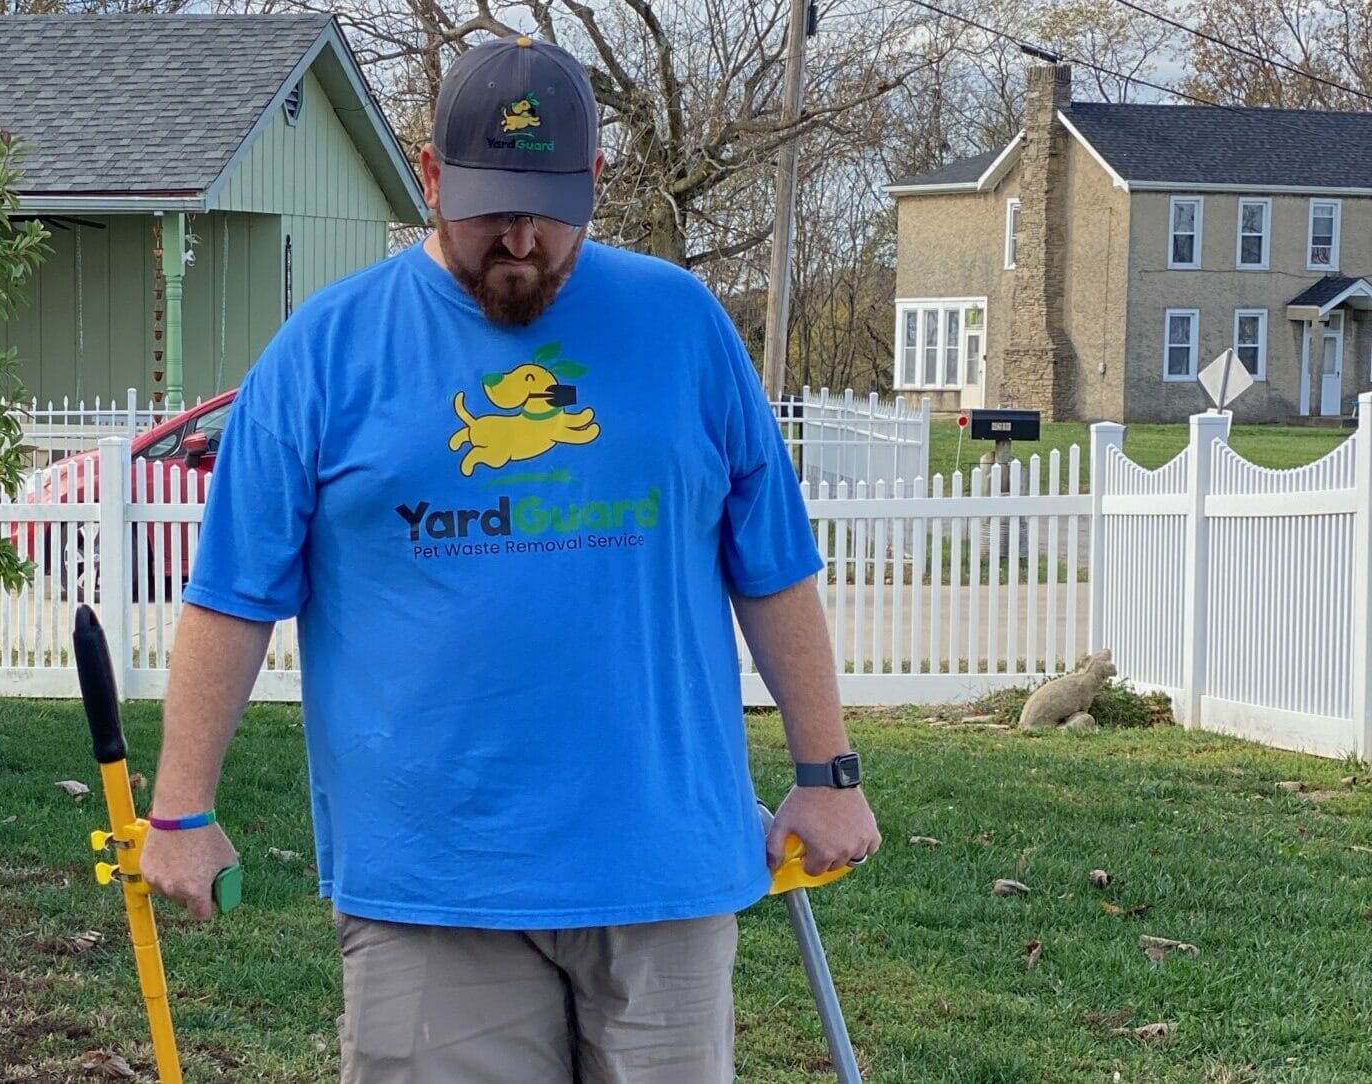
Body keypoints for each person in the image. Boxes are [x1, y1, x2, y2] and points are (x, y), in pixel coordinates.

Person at [141, 32, 880, 1083]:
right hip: (433, 884)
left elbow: (772, 564)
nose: (520, 238)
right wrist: (181, 810)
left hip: (662, 868)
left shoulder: (684, 327)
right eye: (489, 206)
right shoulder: (324, 351)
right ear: (431, 178)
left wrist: (829, 774)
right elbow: (231, 598)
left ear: (596, 184)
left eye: (547, 208)